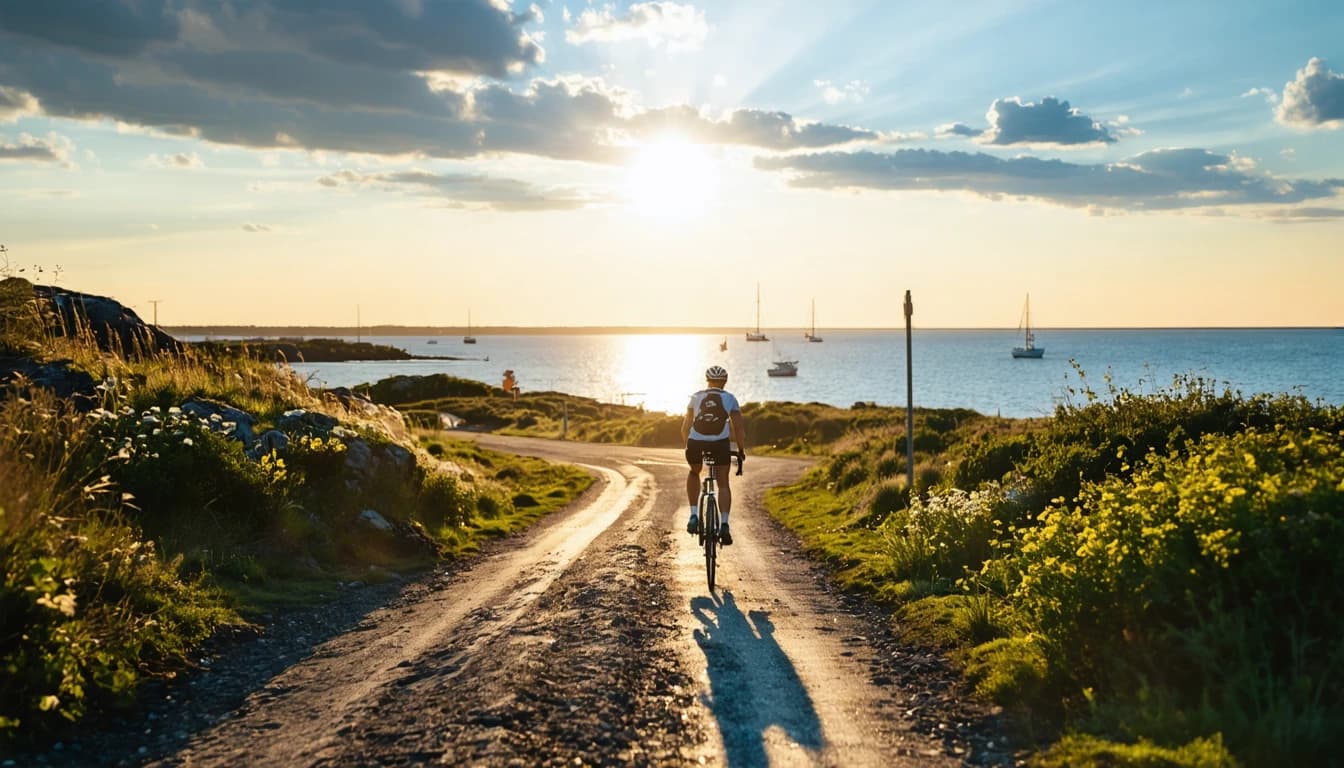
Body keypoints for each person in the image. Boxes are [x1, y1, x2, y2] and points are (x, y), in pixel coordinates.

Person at [682, 365, 746, 545]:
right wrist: (740, 450)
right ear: (724, 382)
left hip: (696, 442)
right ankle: (724, 524)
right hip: (720, 444)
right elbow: (739, 428)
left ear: (707, 381)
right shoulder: (730, 399)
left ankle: (694, 515)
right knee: (723, 483)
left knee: (694, 472)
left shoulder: (696, 397)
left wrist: (687, 446)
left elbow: (685, 427)